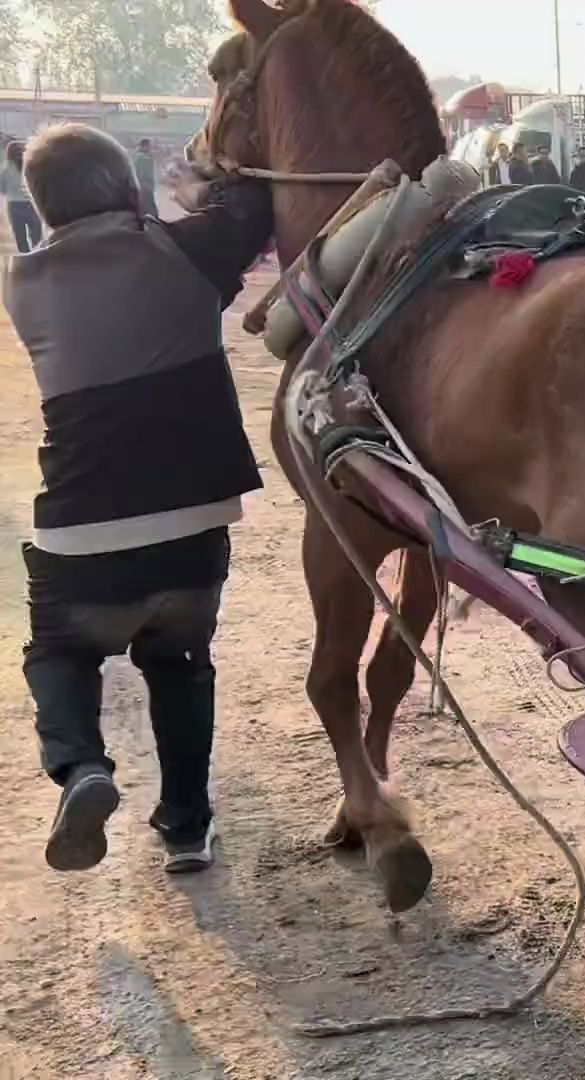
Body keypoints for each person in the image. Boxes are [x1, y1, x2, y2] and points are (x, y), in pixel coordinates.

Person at [2, 124, 271, 874]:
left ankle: (82, 766)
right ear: (129, 190)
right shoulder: (183, 250)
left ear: (44, 213)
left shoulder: (22, 282)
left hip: (82, 534)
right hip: (193, 523)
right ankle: (186, 829)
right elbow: (252, 200)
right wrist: (195, 189)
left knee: (59, 652)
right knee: (179, 662)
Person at [1, 141, 41, 253]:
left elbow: (2, 189)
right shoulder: (31, 166)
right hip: (31, 203)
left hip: (14, 205)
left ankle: (26, 262)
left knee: (20, 236)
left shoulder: (5, 169)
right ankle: (38, 258)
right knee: (37, 235)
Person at [133, 138, 159, 218]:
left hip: (142, 186)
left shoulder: (137, 156)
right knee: (150, 209)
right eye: (149, 146)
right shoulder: (143, 158)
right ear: (145, 146)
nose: (150, 148)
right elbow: (144, 174)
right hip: (145, 187)